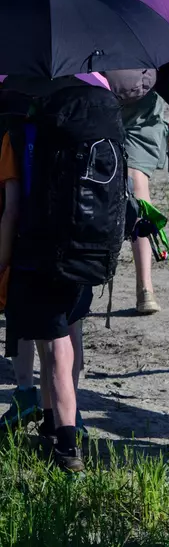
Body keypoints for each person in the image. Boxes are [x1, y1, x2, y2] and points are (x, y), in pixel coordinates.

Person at [0, 74, 125, 473]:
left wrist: (1, 264)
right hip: (86, 250)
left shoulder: (19, 136)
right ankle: (54, 424)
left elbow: (10, 212)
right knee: (64, 334)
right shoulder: (94, 124)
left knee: (55, 347)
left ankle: (68, 446)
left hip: (37, 255)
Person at [57, 0, 163, 315]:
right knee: (138, 180)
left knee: (85, 180)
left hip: (90, 93)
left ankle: (83, 275)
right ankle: (145, 289)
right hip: (138, 88)